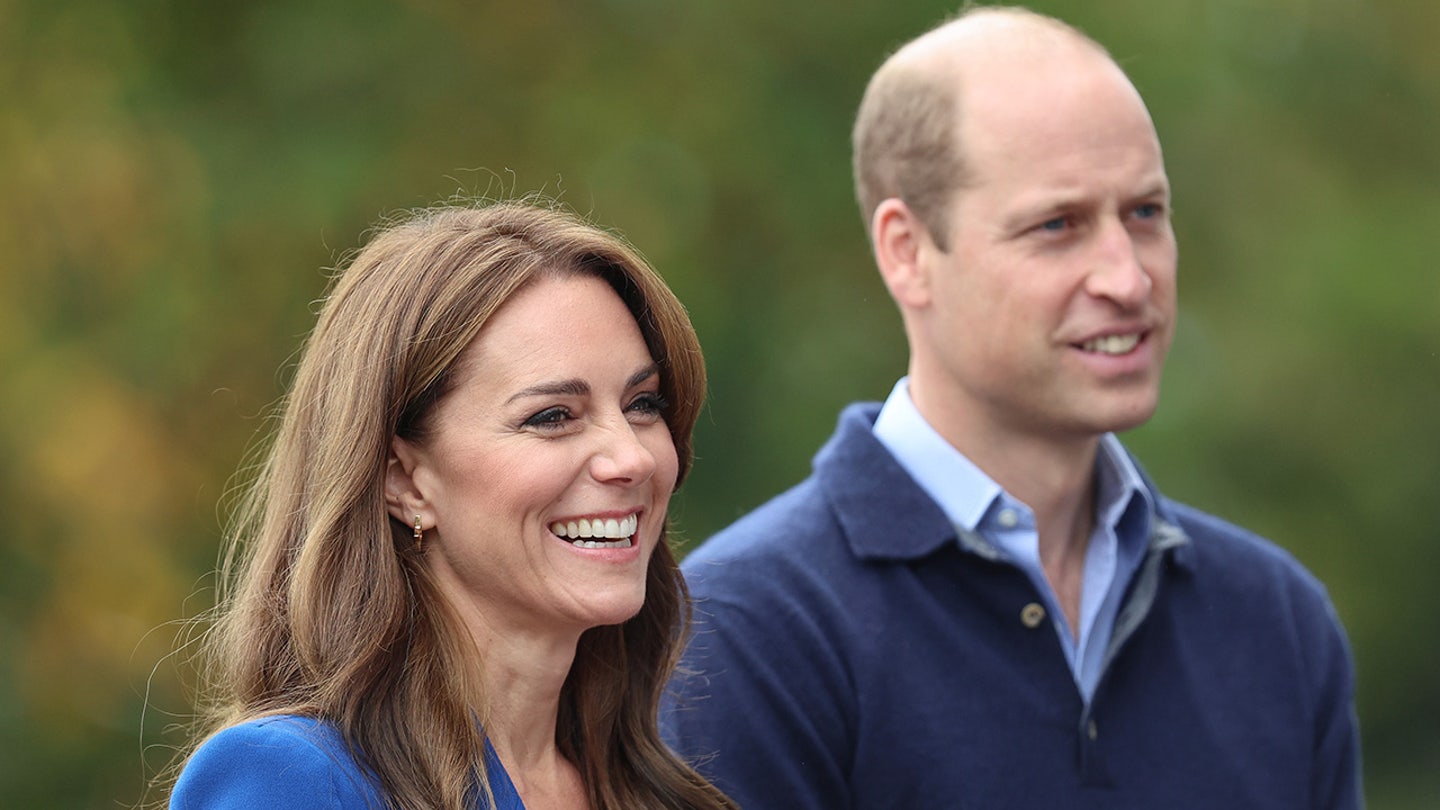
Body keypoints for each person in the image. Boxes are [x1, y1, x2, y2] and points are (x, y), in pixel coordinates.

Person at [661, 6, 1362, 809]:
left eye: (1145, 213)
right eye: (1058, 225)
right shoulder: (748, 632)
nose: (1128, 279)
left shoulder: (1276, 624)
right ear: (908, 252)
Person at [168, 200, 737, 810]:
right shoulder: (293, 782)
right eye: (552, 417)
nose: (633, 458)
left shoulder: (667, 794)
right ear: (405, 482)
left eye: (642, 404)